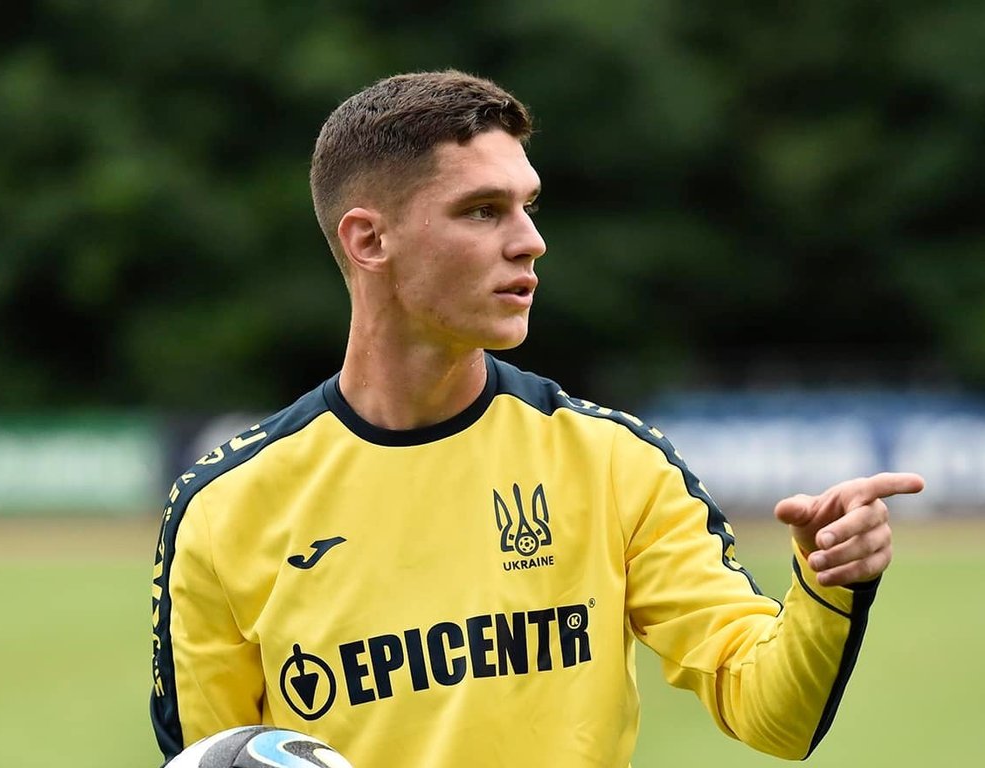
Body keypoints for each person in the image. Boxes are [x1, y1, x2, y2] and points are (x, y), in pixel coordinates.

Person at [149, 70, 924, 767]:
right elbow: (215, 758)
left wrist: (829, 584)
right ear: (370, 239)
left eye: (528, 207)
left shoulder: (614, 463)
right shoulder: (222, 509)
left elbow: (775, 716)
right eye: (483, 211)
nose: (531, 242)